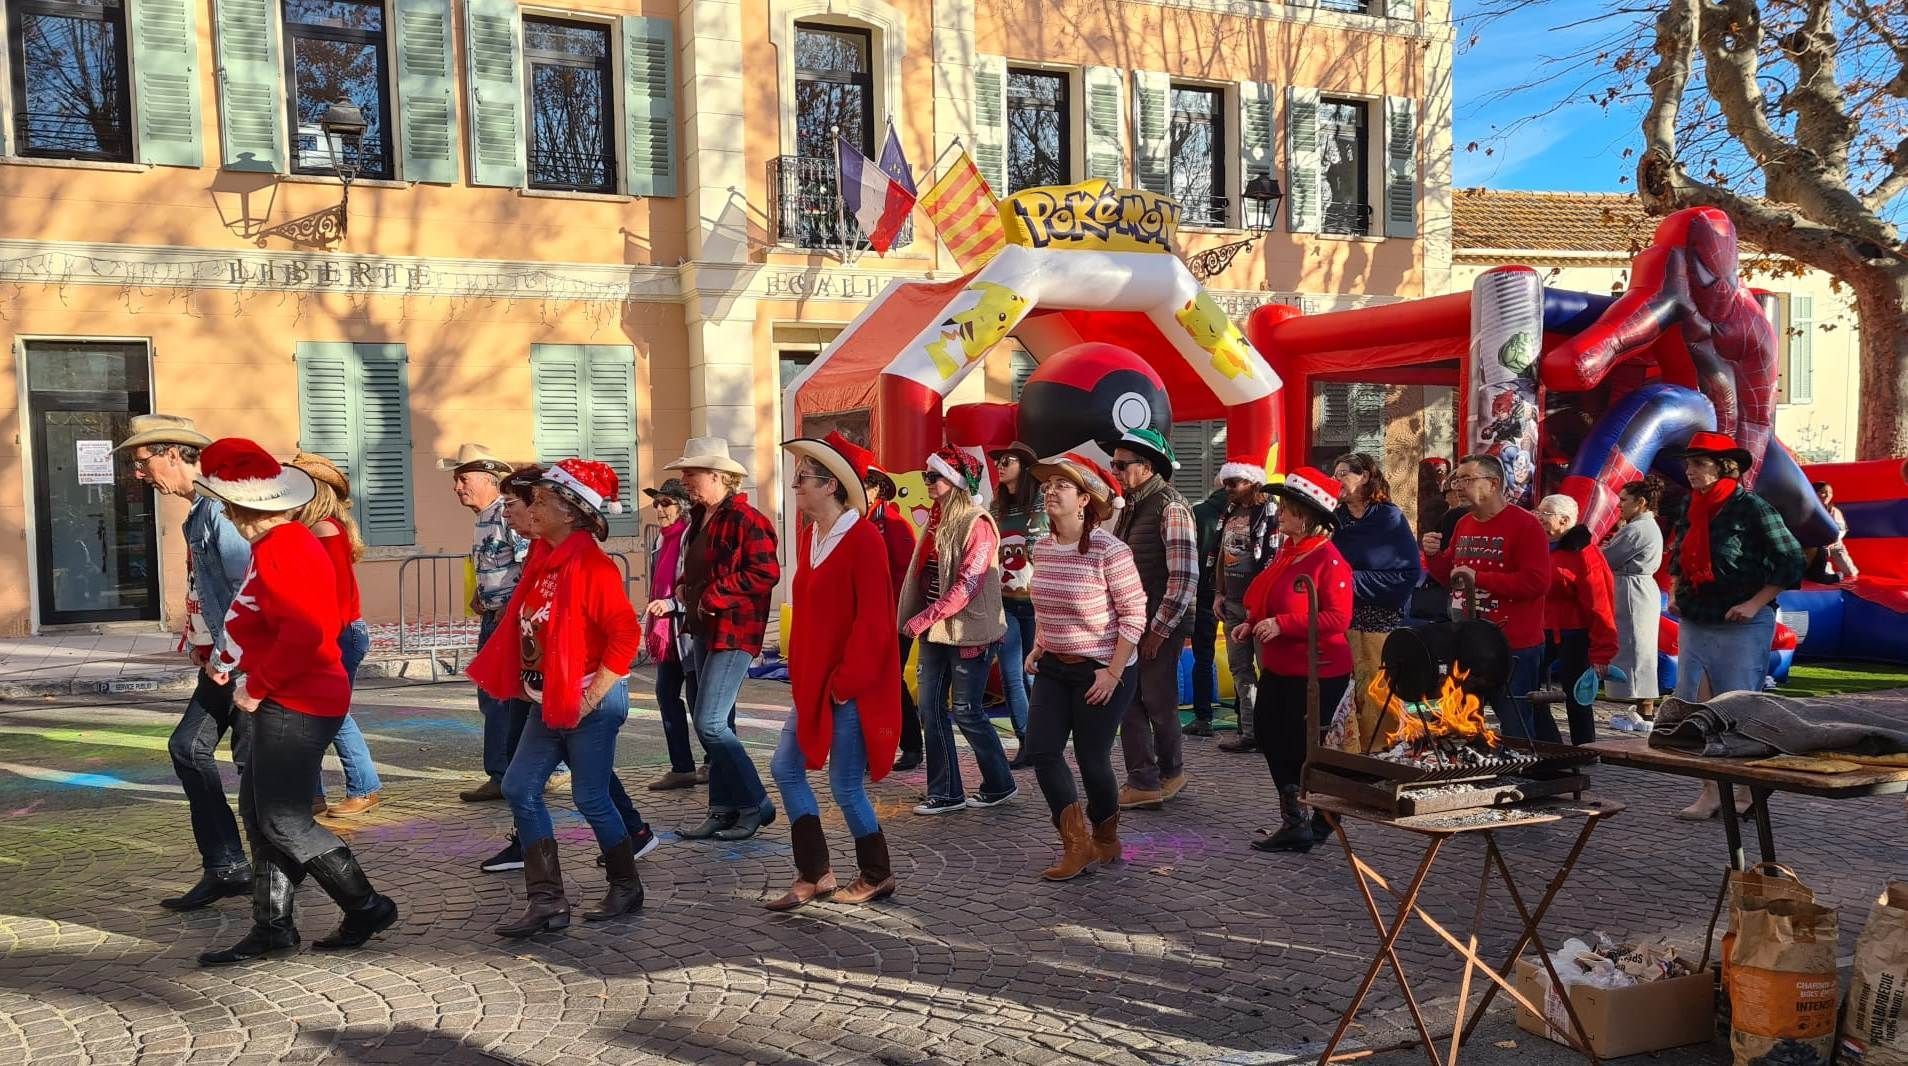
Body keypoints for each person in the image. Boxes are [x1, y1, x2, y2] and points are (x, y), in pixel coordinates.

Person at [192, 439, 396, 966]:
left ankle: (366, 906)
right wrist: (229, 659)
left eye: (226, 505)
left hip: (297, 698)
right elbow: (257, 615)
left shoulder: (285, 546)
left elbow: (306, 633)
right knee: (260, 811)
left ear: (240, 507)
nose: (225, 515)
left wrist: (256, 686)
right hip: (290, 694)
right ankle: (273, 926)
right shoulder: (278, 544)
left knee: (283, 818)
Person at [469, 460, 648, 936]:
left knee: (590, 796)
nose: (534, 506)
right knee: (518, 787)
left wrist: (590, 699)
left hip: (588, 701)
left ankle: (626, 886)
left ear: (570, 512)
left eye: (544, 500)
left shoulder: (591, 565)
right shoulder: (544, 558)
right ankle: (547, 901)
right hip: (547, 700)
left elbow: (625, 636)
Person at [117, 415, 254, 912]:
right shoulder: (199, 511)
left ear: (173, 454)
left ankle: (282, 874)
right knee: (189, 748)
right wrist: (200, 638)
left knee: (252, 768)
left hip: (243, 661)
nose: (139, 474)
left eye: (142, 462)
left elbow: (248, 591)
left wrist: (229, 653)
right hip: (221, 657)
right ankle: (228, 866)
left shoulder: (219, 510)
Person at [767, 438, 904, 909]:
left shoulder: (863, 539)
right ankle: (815, 872)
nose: (794, 485)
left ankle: (877, 874)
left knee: (845, 785)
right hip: (813, 684)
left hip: (849, 688)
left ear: (830, 486)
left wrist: (845, 683)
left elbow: (875, 621)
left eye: (802, 478)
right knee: (785, 767)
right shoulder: (810, 537)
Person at [1668, 433, 1805, 820]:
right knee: (1696, 704)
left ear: (1723, 467)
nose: (1690, 470)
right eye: (1688, 463)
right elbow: (1679, 554)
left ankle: (1745, 790)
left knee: (1738, 706)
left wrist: (1754, 603)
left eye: (1699, 463)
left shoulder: (1752, 508)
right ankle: (1710, 791)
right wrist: (1676, 591)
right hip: (1698, 616)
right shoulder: (1691, 505)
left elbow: (1791, 558)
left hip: (1742, 619)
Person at [650, 438, 781, 841]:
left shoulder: (747, 519)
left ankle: (755, 803)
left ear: (719, 476)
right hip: (704, 630)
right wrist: (684, 589)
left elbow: (766, 572)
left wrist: (712, 594)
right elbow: (697, 569)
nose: (684, 479)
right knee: (717, 723)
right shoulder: (699, 518)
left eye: (691, 473)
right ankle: (723, 809)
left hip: (734, 631)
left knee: (709, 722)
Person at [1021, 453, 1144, 881]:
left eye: (1062, 485)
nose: (1050, 491)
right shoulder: (1043, 547)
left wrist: (1113, 672)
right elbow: (1047, 605)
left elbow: (1134, 616)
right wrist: (1039, 646)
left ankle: (1106, 836)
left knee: (1092, 759)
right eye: (1048, 484)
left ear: (1085, 500)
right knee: (1042, 750)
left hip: (1102, 669)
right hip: (1054, 666)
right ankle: (1077, 845)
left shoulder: (1111, 551)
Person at [899, 447, 1017, 815]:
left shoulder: (977, 523)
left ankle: (999, 783)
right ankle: (946, 791)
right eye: (926, 476)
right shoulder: (937, 520)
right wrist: (918, 615)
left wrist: (923, 618)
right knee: (929, 709)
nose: (927, 482)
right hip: (937, 630)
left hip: (968, 632)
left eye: (933, 476)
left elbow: (968, 585)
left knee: (966, 711)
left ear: (955, 482)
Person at [1242, 467, 1354, 854]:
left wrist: (1282, 624)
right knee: (1271, 736)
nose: (1279, 514)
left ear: (1305, 517)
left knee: (1305, 747)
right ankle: (1300, 820)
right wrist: (1252, 624)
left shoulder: (1329, 560)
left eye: (1286, 509)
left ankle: (1317, 817)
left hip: (1318, 672)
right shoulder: (1289, 553)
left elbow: (1338, 618)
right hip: (1281, 668)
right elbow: (1270, 598)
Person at [1422, 454, 1552, 741]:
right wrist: (1433, 557)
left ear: (1493, 483)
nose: (1458, 487)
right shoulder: (1463, 523)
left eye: (1466, 479)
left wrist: (1478, 578)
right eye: (1456, 480)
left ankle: (1526, 766)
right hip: (1468, 640)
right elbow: (1451, 577)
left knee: (1515, 722)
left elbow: (1537, 582)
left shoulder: (1525, 525)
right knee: (1463, 723)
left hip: (1513, 644)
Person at [1103, 428, 1198, 810]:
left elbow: (1184, 576)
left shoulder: (1170, 507)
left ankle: (1159, 776)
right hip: (1136, 621)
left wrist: (1159, 629)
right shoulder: (1133, 505)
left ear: (1147, 466)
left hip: (1155, 622)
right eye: (1113, 464)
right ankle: (1152, 777)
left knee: (1153, 702)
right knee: (1135, 701)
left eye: (1121, 465)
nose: (1115, 471)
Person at [288, 452, 383, 819]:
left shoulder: (324, 530)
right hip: (330, 633)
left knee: (333, 714)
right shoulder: (315, 529)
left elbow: (336, 598)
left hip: (337, 634)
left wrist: (321, 643)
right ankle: (312, 795)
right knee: (309, 713)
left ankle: (364, 787)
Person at [825, 431, 923, 772]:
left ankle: (911, 744)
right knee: (869, 682)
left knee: (889, 681)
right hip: (863, 620)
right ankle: (870, 748)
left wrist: (892, 616)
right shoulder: (852, 523)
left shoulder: (894, 525)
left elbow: (907, 577)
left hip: (894, 619)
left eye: (867, 485)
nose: (860, 490)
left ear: (878, 490)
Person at [444, 444, 533, 807]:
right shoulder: (483, 518)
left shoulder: (506, 514)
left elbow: (529, 566)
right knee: (501, 696)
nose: (457, 488)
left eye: (463, 479)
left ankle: (504, 773)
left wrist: (508, 608)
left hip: (508, 621)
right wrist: (481, 596)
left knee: (500, 697)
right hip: (494, 617)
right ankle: (518, 769)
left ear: (486, 479)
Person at [1331, 453, 1422, 751]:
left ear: (1365, 477)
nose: (1336, 480)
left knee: (1378, 688)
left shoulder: (1388, 518)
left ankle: (1383, 751)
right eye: (1334, 473)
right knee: (1346, 691)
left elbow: (1407, 572)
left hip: (1380, 619)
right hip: (1342, 618)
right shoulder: (1335, 519)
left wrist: (1348, 581)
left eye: (1343, 473)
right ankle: (1349, 754)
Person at [1534, 495, 1618, 744]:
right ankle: (1547, 741)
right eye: (1538, 512)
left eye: (1545, 514)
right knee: (1526, 685)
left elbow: (1600, 605)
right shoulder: (1540, 546)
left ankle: (1585, 747)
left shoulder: (1584, 554)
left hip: (1575, 633)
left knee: (1577, 694)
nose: (1539, 517)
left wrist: (1603, 651)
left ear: (1564, 520)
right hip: (1541, 629)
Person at [1210, 458, 1279, 755]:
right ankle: (1250, 732)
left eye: (1234, 483)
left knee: (1268, 670)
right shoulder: (1229, 512)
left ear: (1252, 483)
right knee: (1240, 670)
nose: (1228, 488)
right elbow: (1220, 554)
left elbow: (1272, 561)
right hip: (1233, 603)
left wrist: (1260, 603)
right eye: (1225, 483)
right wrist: (1219, 593)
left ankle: (1271, 733)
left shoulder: (1270, 511)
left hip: (1260, 607)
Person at [641, 478, 702, 791]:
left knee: (698, 701)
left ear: (683, 506)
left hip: (689, 633)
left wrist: (671, 604)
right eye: (656, 503)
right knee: (666, 694)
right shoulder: (661, 539)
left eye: (666, 503)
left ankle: (715, 763)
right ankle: (682, 767)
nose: (659, 509)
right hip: (667, 636)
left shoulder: (690, 537)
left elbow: (695, 584)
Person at [988, 441, 1045, 768]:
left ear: (1024, 467)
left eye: (1007, 461)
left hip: (1037, 604)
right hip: (1006, 602)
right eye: (999, 461)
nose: (1000, 465)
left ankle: (1043, 740)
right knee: (1012, 675)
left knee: (1032, 676)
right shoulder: (997, 505)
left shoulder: (1042, 501)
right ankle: (1027, 741)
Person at [1602, 480, 1664, 720]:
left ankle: (1645, 707)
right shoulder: (1640, 526)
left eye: (1624, 500)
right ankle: (1643, 706)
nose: (1619, 505)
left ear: (1641, 503)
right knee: (1638, 647)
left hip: (1633, 590)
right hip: (1636, 587)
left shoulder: (1637, 529)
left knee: (1637, 648)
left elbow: (1608, 557)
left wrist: (1600, 549)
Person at [1186, 483, 1227, 738]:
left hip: (1202, 592)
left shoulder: (1198, 513)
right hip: (1235, 593)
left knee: (1203, 657)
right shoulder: (1245, 514)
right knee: (1242, 662)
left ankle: (1203, 717)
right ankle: (1247, 721)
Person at [1805, 481, 1860, 584]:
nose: (1827, 495)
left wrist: (1832, 541)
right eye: (1823, 492)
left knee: (1851, 572)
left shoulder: (1834, 511)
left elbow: (1841, 530)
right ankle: (1825, 569)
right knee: (1824, 572)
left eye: (1830, 493)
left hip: (1834, 544)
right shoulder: (1807, 509)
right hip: (1817, 547)